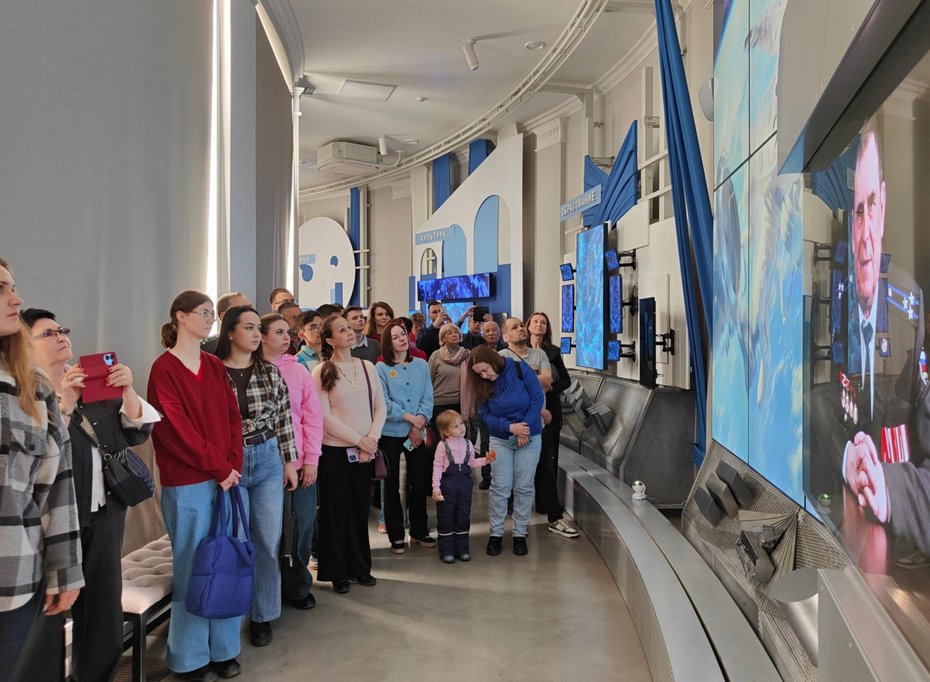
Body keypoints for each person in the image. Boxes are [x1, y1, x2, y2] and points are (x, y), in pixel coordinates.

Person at [19, 309, 159, 682]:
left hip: (105, 511)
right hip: (50, 522)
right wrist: (64, 402)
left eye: (62, 330)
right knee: (47, 615)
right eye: (48, 334)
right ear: (24, 345)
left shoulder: (92, 382)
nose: (60, 337)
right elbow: (38, 456)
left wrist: (127, 389)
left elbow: (136, 432)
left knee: (102, 609)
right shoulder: (23, 395)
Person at [147, 290, 243, 681]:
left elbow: (234, 418)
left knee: (226, 564)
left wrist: (232, 465)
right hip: (188, 482)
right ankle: (189, 657)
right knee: (192, 566)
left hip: (226, 479)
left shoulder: (214, 365)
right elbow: (175, 429)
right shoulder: (163, 369)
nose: (209, 320)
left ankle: (224, 649)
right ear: (180, 316)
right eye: (203, 313)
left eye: (211, 314)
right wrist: (218, 467)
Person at [0, 259, 83, 681]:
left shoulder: (31, 387)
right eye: (1, 289)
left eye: (13, 287)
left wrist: (65, 570)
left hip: (13, 577)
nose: (16, 299)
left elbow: (56, 486)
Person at [215, 306, 299, 647]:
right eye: (248, 328)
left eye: (257, 328)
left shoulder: (270, 371)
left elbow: (284, 418)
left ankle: (263, 614)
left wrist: (290, 462)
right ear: (230, 332)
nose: (255, 334)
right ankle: (233, 615)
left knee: (267, 539)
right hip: (229, 460)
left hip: (267, 457)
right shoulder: (214, 371)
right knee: (236, 540)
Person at [311, 315, 386, 594]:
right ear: (330, 340)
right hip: (335, 452)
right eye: (342, 330)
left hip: (365, 451)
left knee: (358, 510)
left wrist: (372, 440)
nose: (350, 332)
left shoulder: (367, 366)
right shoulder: (321, 371)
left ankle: (360, 567)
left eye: (349, 328)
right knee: (334, 511)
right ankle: (337, 572)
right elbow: (323, 416)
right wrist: (359, 441)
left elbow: (380, 407)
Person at [261, 313, 324, 609]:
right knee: (266, 532)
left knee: (302, 525)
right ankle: (267, 593)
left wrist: (311, 460)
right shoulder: (248, 369)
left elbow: (312, 418)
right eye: (278, 332)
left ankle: (298, 586)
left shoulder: (298, 371)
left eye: (288, 332)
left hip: (299, 462)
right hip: (262, 464)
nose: (286, 338)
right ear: (261, 336)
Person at [468, 345, 545, 556]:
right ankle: (496, 534)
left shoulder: (520, 369)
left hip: (529, 436)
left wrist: (524, 428)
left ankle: (520, 533)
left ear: (494, 361)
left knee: (524, 486)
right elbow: (484, 412)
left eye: (485, 370)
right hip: (500, 438)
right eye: (479, 374)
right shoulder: (482, 382)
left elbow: (537, 399)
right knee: (500, 487)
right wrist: (510, 428)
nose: (484, 376)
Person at [376, 320, 435, 554]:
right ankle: (396, 534)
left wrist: (419, 421)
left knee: (419, 481)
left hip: (417, 432)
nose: (402, 339)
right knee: (391, 485)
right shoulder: (381, 368)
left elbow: (428, 397)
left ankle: (419, 530)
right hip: (391, 433)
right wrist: (409, 418)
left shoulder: (421, 364)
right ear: (387, 343)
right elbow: (384, 403)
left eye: (403, 334)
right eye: (395, 337)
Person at [526, 311, 579, 539]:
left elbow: (565, 380)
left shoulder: (554, 352)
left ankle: (547, 505)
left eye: (543, 323)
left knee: (549, 460)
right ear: (528, 326)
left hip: (550, 411)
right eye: (536, 322)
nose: (539, 325)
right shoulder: (519, 352)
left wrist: (550, 389)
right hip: (527, 411)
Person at [431, 409, 494, 563]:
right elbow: (437, 467)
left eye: (461, 424)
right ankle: (447, 550)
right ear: (446, 431)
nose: (461, 428)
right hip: (447, 488)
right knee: (446, 518)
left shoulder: (468, 444)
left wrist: (485, 460)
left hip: (465, 488)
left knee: (463, 517)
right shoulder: (442, 446)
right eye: (456, 426)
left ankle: (463, 549)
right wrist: (436, 488)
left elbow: (472, 462)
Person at [296, 309, 324, 373]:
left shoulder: (332, 354)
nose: (320, 330)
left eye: (322, 325)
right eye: (314, 327)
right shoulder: (298, 360)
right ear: (302, 335)